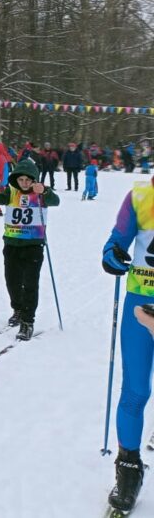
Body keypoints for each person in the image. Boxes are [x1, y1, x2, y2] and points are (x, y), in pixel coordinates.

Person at [101, 175, 154, 513]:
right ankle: (129, 468)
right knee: (135, 389)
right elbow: (118, 237)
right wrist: (111, 253)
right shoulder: (141, 195)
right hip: (141, 303)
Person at [0, 158, 60, 340]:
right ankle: (18, 309)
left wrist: (45, 190)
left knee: (30, 284)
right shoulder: (11, 191)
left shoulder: (41, 192)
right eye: (20, 180)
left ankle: (27, 322)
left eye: (27, 180)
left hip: (33, 246)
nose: (24, 183)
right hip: (12, 243)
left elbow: (56, 201)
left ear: (34, 180)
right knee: (12, 281)